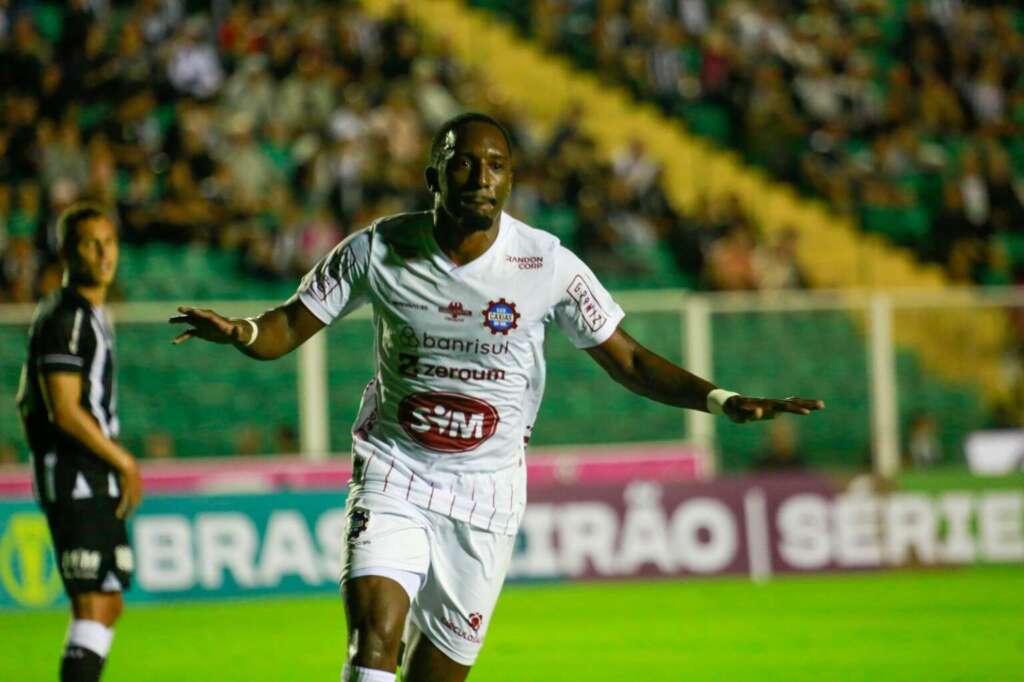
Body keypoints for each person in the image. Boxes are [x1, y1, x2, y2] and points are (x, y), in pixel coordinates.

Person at [170, 113, 824, 682]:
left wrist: (720, 398)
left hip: (486, 494)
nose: (482, 177)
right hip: (396, 468)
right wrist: (244, 332)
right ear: (435, 176)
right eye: (465, 164)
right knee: (374, 638)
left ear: (510, 180)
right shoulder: (378, 250)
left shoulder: (548, 264)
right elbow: (288, 324)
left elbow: (626, 357)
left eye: (497, 166)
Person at [17, 202, 143, 682]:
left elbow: (26, 400)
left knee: (107, 603)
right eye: (90, 243)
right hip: (78, 476)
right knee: (93, 603)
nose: (102, 252)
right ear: (68, 251)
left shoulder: (87, 314)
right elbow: (62, 408)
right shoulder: (67, 316)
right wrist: (123, 462)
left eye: (108, 242)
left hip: (91, 472)